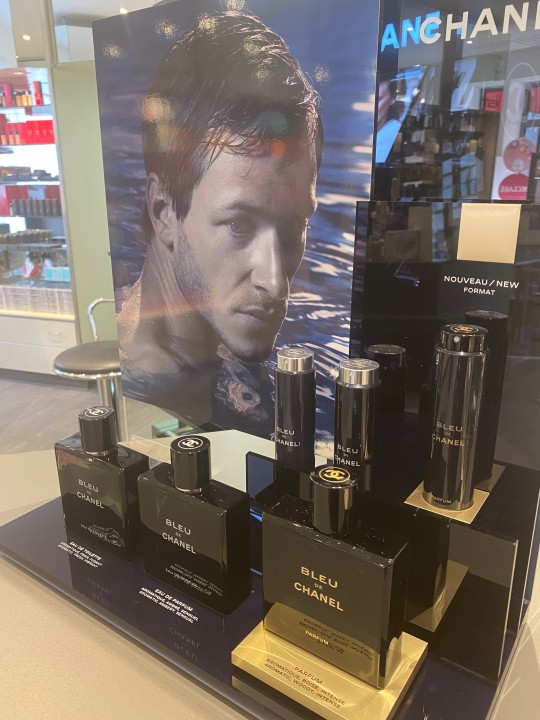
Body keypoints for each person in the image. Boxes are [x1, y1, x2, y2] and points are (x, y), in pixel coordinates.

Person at [117, 11, 323, 434]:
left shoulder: (208, 338)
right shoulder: (155, 385)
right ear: (164, 211)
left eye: (292, 229)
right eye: (239, 226)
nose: (276, 283)